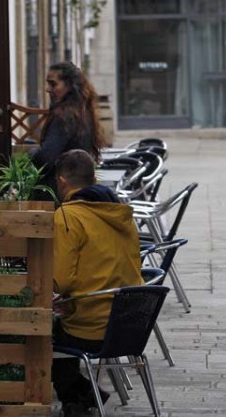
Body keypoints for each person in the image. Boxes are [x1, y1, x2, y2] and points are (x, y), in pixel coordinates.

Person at [51, 149, 143, 415]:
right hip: (129, 321)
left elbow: (61, 281)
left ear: (62, 182)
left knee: (39, 337)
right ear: (93, 178)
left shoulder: (68, 216)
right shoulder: (118, 211)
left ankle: (81, 397)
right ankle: (84, 396)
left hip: (92, 324)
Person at [31, 61, 105, 200]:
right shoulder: (83, 113)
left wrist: (32, 153)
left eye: (53, 84)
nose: (48, 89)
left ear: (70, 85)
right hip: (79, 192)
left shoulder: (64, 116)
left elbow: (46, 158)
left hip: (58, 194)